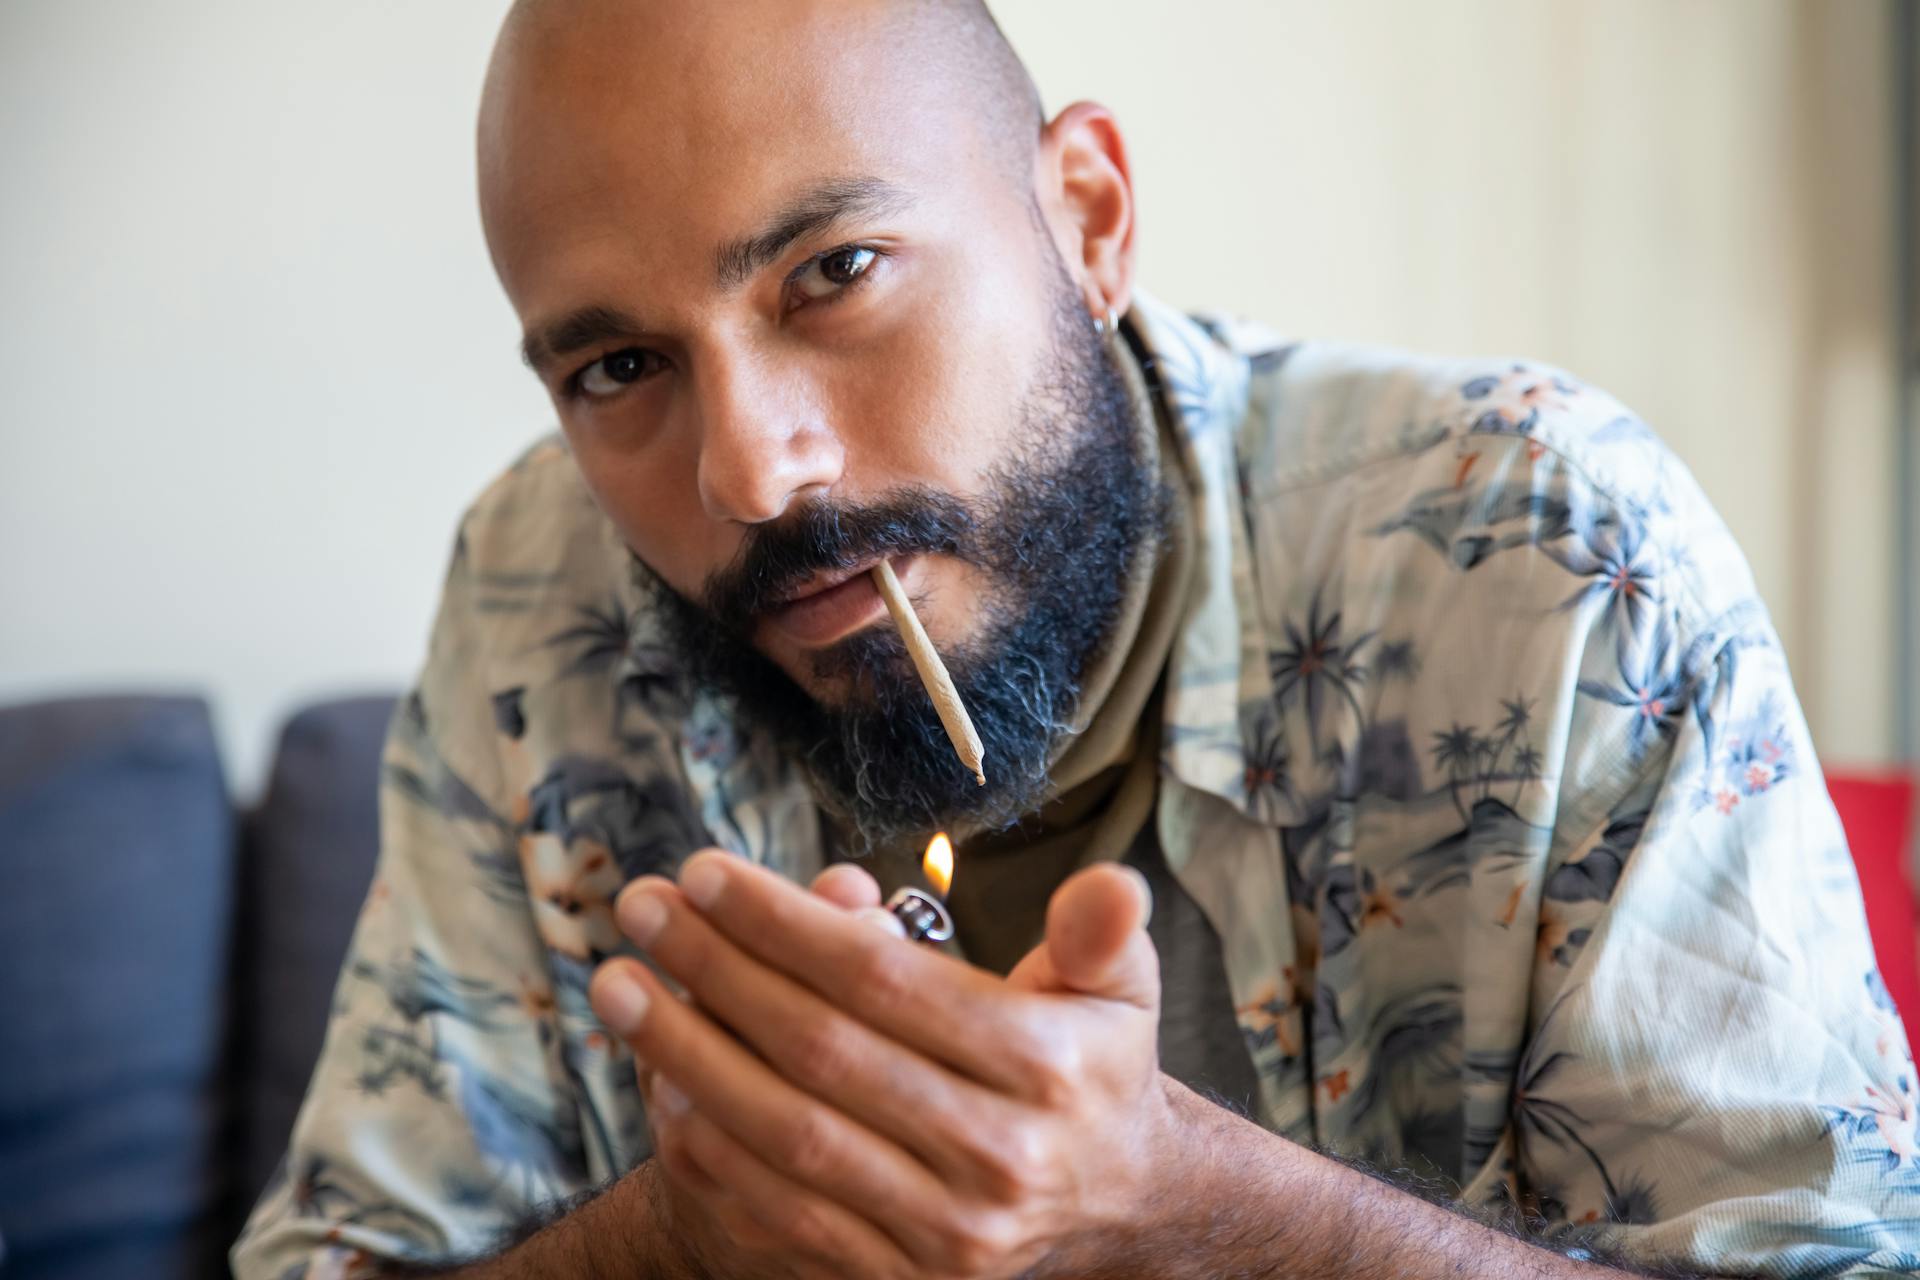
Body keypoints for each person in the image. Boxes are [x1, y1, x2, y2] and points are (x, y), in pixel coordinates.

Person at [232, 1, 1920, 1276]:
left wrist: (1191, 1208)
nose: (748, 471)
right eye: (617, 369)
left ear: (1090, 218)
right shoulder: (544, 594)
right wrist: (681, 1232)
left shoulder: (1543, 548)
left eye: (837, 270)